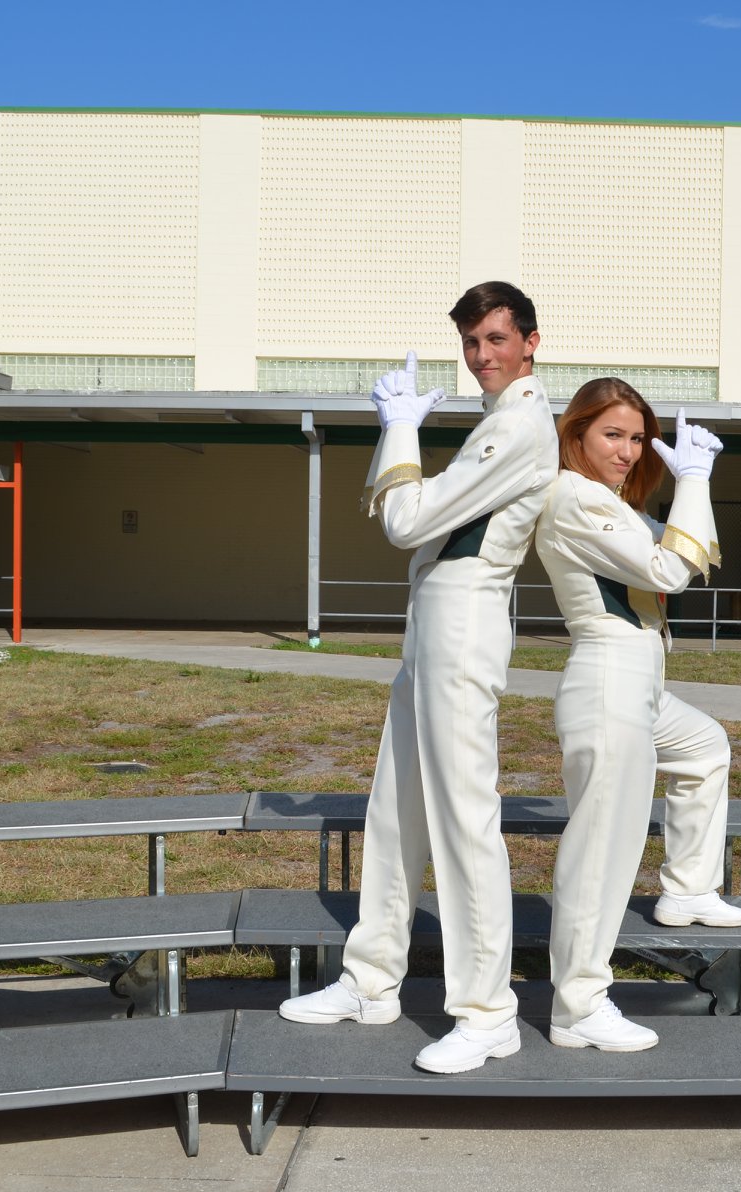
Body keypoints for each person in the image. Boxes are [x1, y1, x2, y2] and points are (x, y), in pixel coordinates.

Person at [279, 282, 558, 1075]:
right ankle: (371, 982)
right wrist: (401, 436)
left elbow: (406, 521)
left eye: (496, 339)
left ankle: (488, 1012)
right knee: (395, 810)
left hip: (464, 626)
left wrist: (399, 427)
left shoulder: (521, 424)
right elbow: (419, 516)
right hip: (435, 622)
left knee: (464, 821)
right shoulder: (498, 422)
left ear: (531, 342)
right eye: (471, 341)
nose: (481, 355)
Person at [534, 377, 741, 1054]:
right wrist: (694, 480)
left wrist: (693, 485)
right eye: (611, 434)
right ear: (575, 434)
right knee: (602, 851)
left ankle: (687, 890)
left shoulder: (611, 502)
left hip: (639, 685)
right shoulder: (571, 497)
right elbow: (669, 571)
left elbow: (693, 548)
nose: (627, 451)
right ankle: (578, 1007)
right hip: (607, 680)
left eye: (635, 437)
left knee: (705, 747)